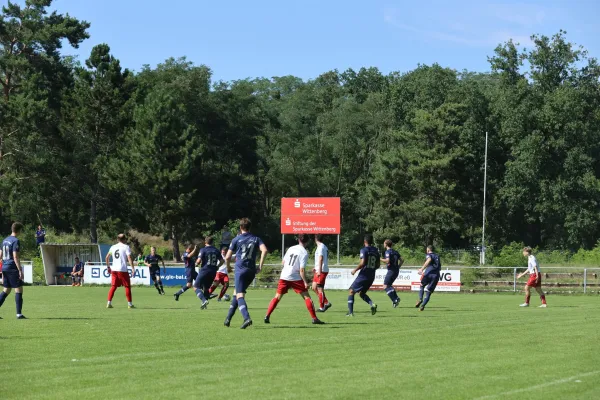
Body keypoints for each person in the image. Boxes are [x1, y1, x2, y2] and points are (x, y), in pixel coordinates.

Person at [264, 234, 324, 325]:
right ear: (307, 242)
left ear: (298, 240)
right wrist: (305, 282)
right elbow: (302, 270)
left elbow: (283, 262)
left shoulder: (291, 248)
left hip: (284, 276)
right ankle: (314, 318)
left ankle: (267, 316)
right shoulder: (304, 252)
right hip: (295, 277)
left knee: (277, 297)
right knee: (307, 297)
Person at [224, 218, 268, 329]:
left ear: (240, 227)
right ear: (250, 227)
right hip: (251, 271)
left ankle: (246, 318)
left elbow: (228, 256)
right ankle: (228, 319)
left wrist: (228, 267)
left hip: (240, 270)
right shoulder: (256, 239)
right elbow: (264, 250)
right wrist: (260, 266)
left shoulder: (236, 239)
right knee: (236, 292)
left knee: (239, 295)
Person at [347, 234, 379, 317]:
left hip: (363, 275)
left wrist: (355, 270)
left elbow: (362, 262)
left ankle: (350, 313)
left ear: (365, 241)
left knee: (351, 291)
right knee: (361, 293)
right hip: (371, 276)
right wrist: (371, 269)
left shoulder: (364, 250)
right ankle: (372, 305)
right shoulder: (376, 250)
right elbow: (378, 265)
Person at [0, 222, 26, 319]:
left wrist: (3, 267)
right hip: (12, 267)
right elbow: (15, 256)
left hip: (5, 267)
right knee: (18, 289)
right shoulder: (15, 241)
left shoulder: (5, 240)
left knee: (6, 290)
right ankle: (19, 314)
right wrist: (20, 270)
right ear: (19, 230)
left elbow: (0, 256)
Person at [105, 234, 136, 309]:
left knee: (113, 287)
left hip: (114, 270)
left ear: (117, 239)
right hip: (122, 270)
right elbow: (129, 258)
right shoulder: (126, 247)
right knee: (127, 286)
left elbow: (107, 257)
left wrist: (108, 267)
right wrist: (133, 268)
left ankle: (108, 303)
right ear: (124, 239)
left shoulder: (113, 247)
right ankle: (130, 304)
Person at [193, 236, 224, 309]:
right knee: (206, 288)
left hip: (205, 270)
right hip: (213, 271)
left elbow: (198, 261)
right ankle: (205, 305)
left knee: (195, 287)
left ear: (205, 242)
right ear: (212, 242)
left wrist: (196, 264)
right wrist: (217, 266)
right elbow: (222, 261)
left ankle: (204, 300)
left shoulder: (203, 250)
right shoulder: (216, 250)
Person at [415, 245, 441, 311]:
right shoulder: (437, 256)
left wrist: (421, 269)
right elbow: (439, 267)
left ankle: (420, 299)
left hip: (428, 273)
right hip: (436, 275)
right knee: (429, 292)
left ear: (428, 249)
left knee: (421, 285)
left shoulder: (429, 255)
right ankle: (423, 305)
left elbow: (429, 260)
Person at [381, 240, 403, 308]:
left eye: (384, 243)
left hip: (391, 271)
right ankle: (396, 298)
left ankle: (394, 300)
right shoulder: (395, 251)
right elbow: (402, 260)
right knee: (389, 285)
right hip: (396, 271)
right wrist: (398, 267)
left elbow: (387, 261)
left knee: (385, 286)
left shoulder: (388, 251)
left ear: (386, 244)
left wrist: (380, 259)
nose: (383, 244)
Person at [312, 234, 332, 312]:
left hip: (322, 270)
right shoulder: (322, 246)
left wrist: (319, 270)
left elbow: (321, 259)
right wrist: (316, 267)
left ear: (315, 239)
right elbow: (319, 259)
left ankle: (322, 307)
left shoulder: (321, 247)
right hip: (319, 269)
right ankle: (326, 302)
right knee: (314, 287)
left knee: (320, 289)